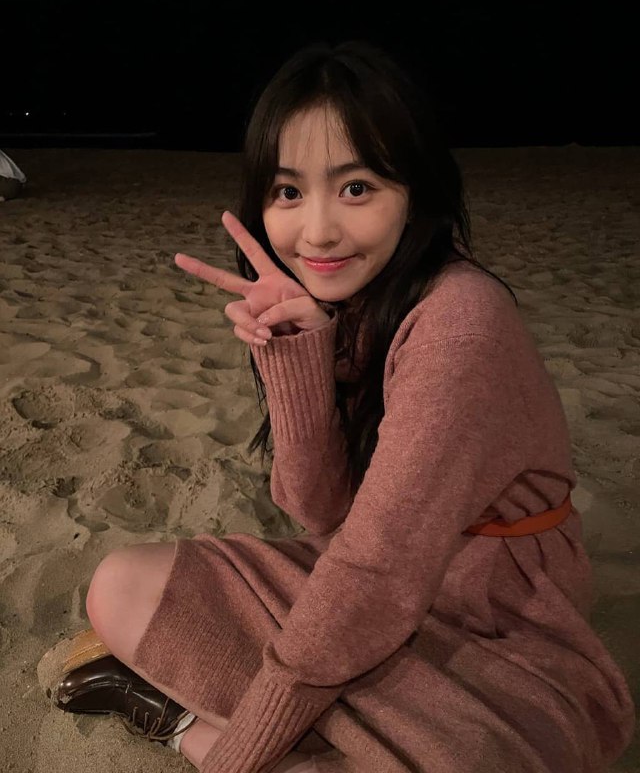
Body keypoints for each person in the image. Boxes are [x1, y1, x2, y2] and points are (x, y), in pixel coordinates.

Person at [41, 40, 635, 773]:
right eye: (288, 192)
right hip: (377, 590)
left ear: (414, 189)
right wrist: (300, 353)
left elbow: (373, 577)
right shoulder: (353, 302)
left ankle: (181, 726)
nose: (318, 231)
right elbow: (320, 513)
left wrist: (241, 756)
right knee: (122, 585)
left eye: (356, 187)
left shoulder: (460, 321)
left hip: (496, 622)